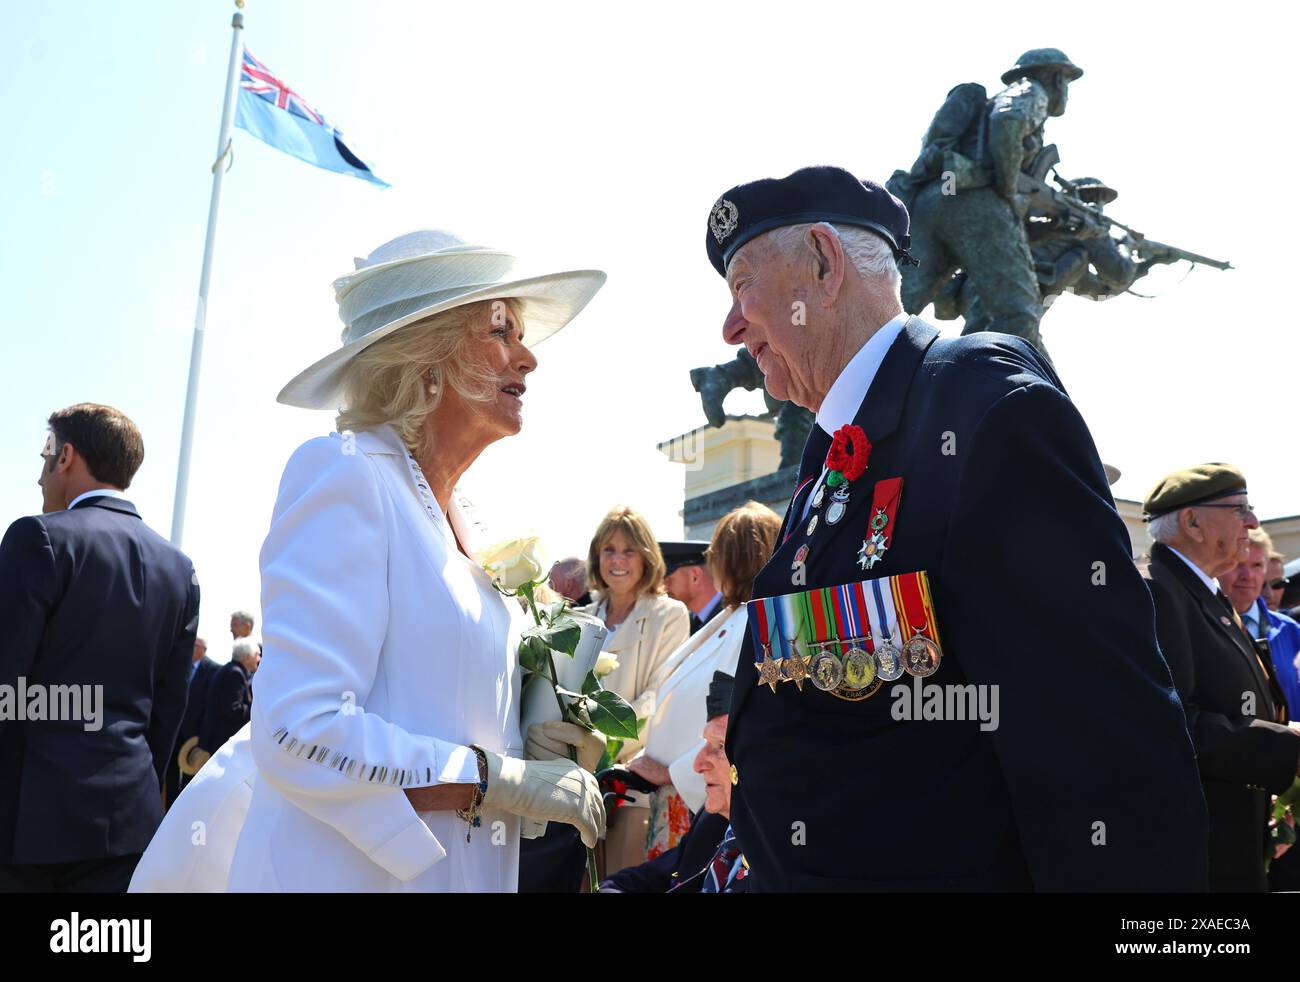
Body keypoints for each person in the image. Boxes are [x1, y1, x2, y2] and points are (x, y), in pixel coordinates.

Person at [702, 164, 1208, 891]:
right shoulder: (830, 457)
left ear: (822, 260)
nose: (730, 324)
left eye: (743, 284)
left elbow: (1103, 749)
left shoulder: (980, 404)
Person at [211, 229, 608, 892]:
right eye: (502, 330)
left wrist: (534, 740)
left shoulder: (464, 519)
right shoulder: (347, 475)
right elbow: (299, 732)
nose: (529, 357)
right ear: (428, 357)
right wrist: (494, 780)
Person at [0, 404, 200, 892]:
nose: (38, 474)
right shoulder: (180, 568)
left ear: (65, 455)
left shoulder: (38, 538)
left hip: (28, 826)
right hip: (126, 824)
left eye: (44, 453)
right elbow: (168, 709)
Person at [1143, 464, 1300, 891]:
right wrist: (1287, 749)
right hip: (1197, 854)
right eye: (1240, 510)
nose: (1252, 523)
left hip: (1232, 836)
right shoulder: (1157, 591)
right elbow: (1167, 725)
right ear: (1192, 522)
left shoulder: (1204, 593)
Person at [895, 48, 1083, 354]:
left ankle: (805, 400)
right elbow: (1008, 121)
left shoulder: (981, 114)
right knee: (1018, 314)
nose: (1066, 92)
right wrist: (1007, 189)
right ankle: (979, 393)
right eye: (1066, 81)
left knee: (897, 311)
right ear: (1054, 77)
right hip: (977, 201)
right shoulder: (1031, 91)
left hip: (935, 197)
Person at [629, 505, 780, 860]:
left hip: (697, 798)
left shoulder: (753, 624)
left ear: (732, 559)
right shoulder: (734, 616)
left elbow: (731, 718)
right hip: (676, 797)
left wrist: (671, 772)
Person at [578, 506, 689, 873]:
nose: (618, 560)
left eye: (629, 550)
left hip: (631, 785)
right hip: (577, 783)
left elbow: (658, 696)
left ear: (646, 557)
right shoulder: (581, 617)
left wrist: (604, 748)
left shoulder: (669, 614)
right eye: (609, 549)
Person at [599, 672, 747, 893]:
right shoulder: (711, 823)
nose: (697, 765)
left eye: (719, 746)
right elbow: (632, 881)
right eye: (704, 744)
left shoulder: (785, 849)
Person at [1220, 528, 1300, 718]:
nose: (1247, 575)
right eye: (1238, 564)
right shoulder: (1200, 626)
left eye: (1257, 565)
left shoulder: (1291, 631)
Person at [178, 638, 260, 779]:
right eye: (257, 655)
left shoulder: (229, 669)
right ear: (247, 657)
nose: (259, 659)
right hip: (221, 741)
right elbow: (233, 708)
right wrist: (256, 710)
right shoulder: (235, 673)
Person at [164, 637, 221, 808]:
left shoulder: (213, 670)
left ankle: (186, 809)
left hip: (195, 735)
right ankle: (170, 808)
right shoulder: (180, 667)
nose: (189, 648)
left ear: (202, 649)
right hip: (175, 731)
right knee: (171, 772)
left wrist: (203, 736)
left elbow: (211, 706)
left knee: (191, 775)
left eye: (194, 646)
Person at [661, 540, 722, 634]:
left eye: (668, 580)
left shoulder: (731, 616)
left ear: (695, 577)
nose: (664, 588)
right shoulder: (685, 623)